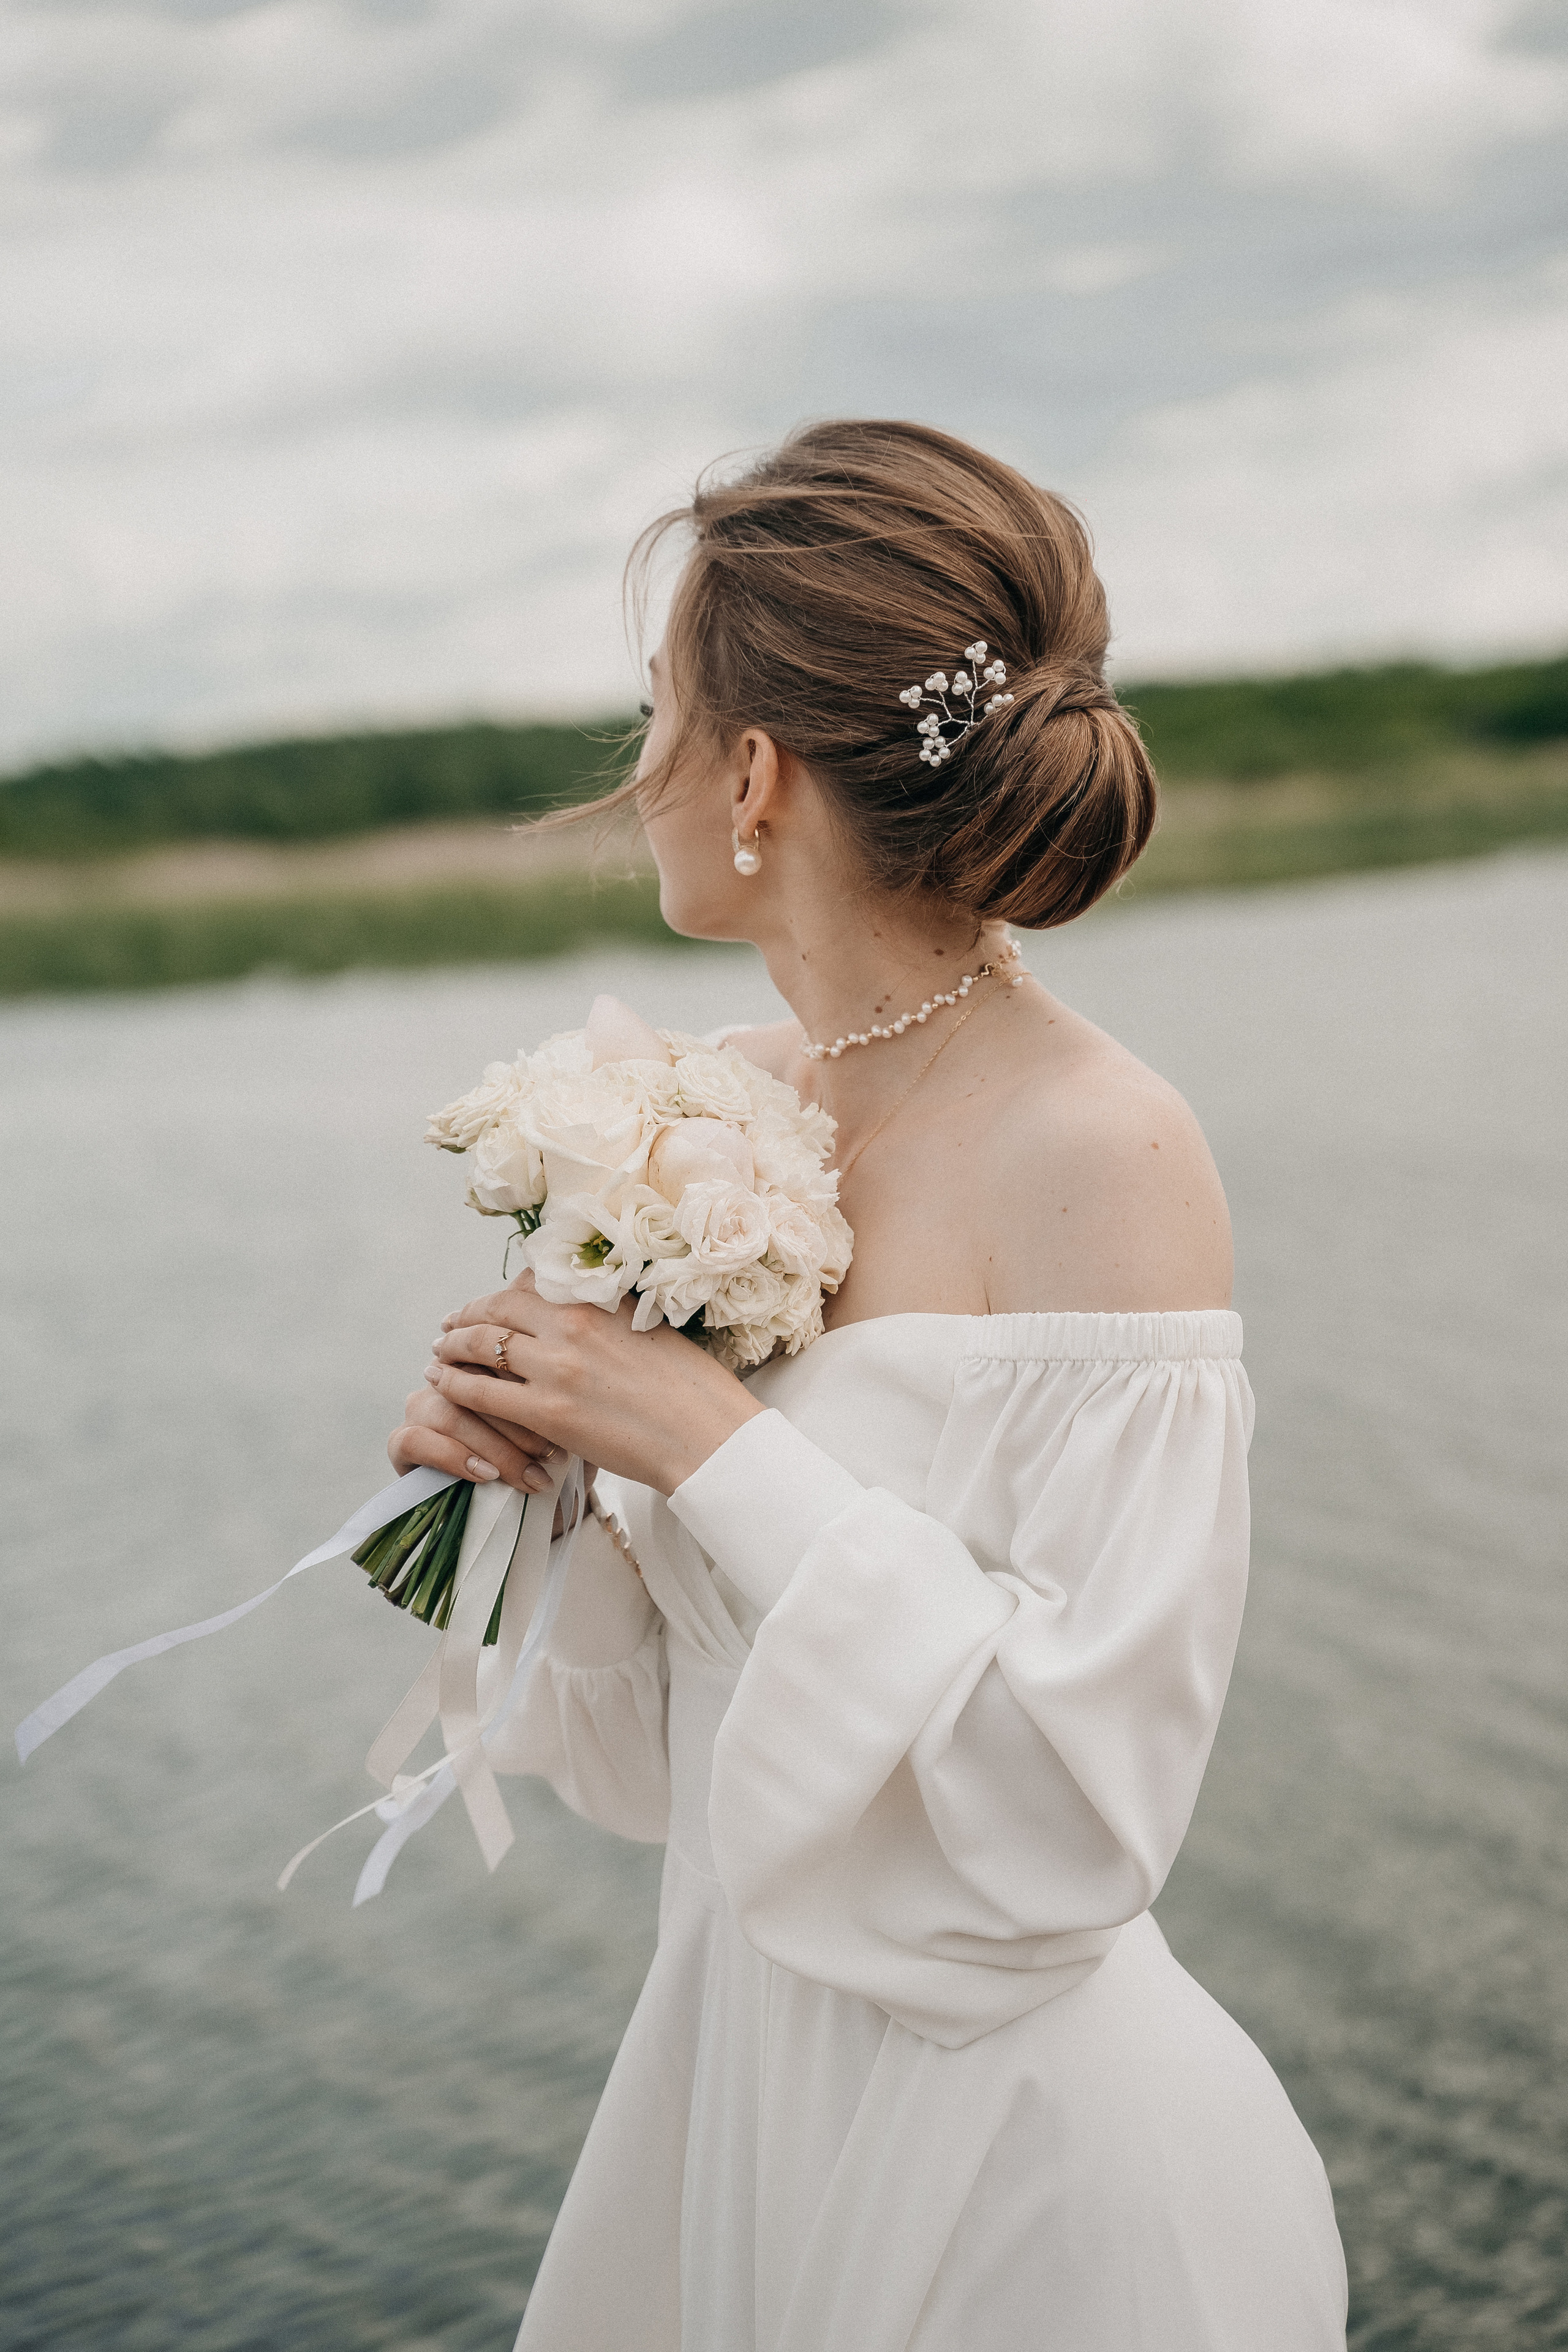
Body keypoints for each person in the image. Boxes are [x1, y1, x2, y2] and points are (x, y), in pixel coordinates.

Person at [390, 420, 1349, 2350]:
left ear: (750, 772)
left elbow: (1079, 1836)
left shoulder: (1104, 1151)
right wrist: (552, 1482)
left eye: (657, 708)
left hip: (1014, 2163)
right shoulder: (713, 1116)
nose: (634, 769)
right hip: (740, 2074)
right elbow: (658, 1778)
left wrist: (717, 1451)